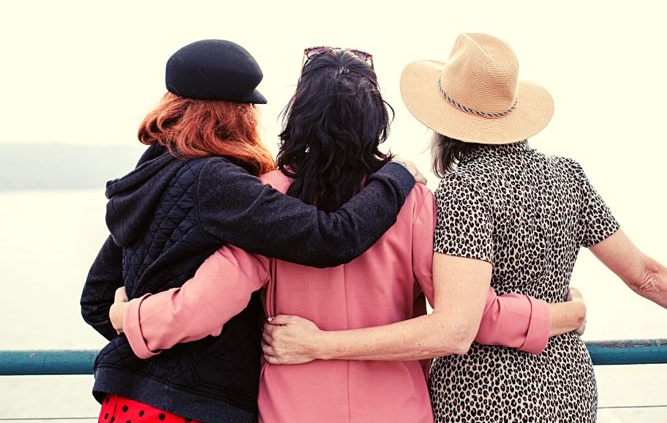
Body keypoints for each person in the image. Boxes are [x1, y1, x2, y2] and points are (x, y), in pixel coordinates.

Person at [108, 46, 588, 423]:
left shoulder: (268, 198)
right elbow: (469, 318)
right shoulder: (414, 201)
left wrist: (130, 314)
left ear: (298, 116)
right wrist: (559, 314)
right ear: (375, 120)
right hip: (399, 413)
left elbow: (198, 309)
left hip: (292, 412)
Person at [254, 33, 667, 422]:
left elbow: (461, 322)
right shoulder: (563, 177)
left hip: (472, 395)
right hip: (559, 390)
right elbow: (646, 275)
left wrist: (315, 344)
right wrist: (567, 312)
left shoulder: (458, 194)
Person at [80, 39, 421, 423]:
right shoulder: (219, 182)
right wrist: (396, 176)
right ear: (240, 113)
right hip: (195, 407)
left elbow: (95, 301)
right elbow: (331, 238)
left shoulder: (148, 178)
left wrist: (136, 328)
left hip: (124, 401)